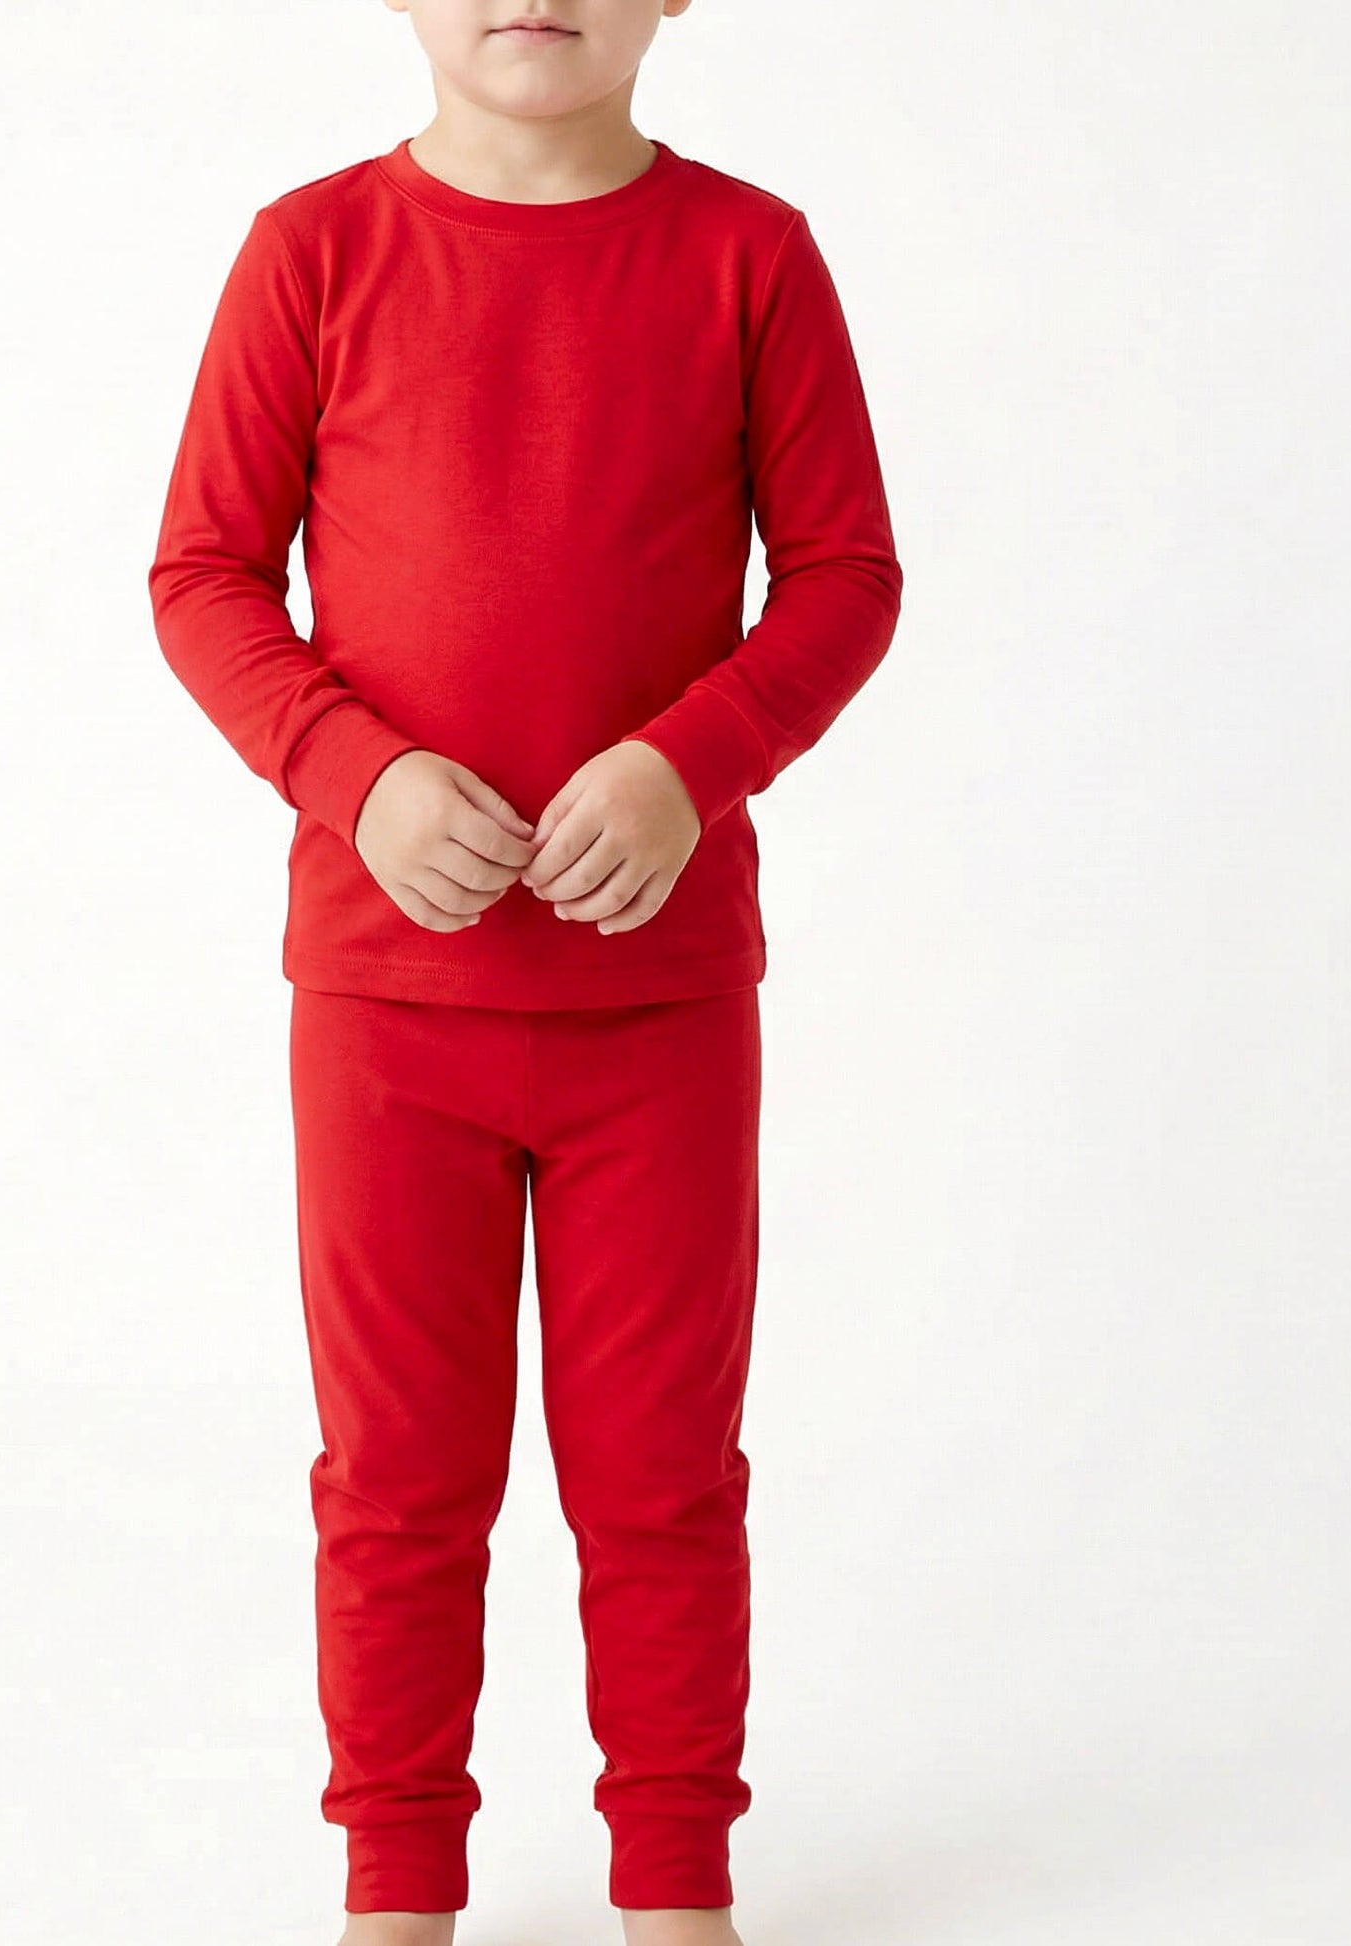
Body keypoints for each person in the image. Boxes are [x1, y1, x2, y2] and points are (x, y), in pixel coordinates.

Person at [145, 5, 902, 1942]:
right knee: (398, 1478)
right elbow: (206, 572)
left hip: (656, 1010)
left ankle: (675, 1889)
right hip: (387, 1007)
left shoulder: (749, 255)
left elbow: (840, 575)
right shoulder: (312, 251)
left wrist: (686, 760)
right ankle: (395, 1891)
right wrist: (353, 772)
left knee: (659, 1476)